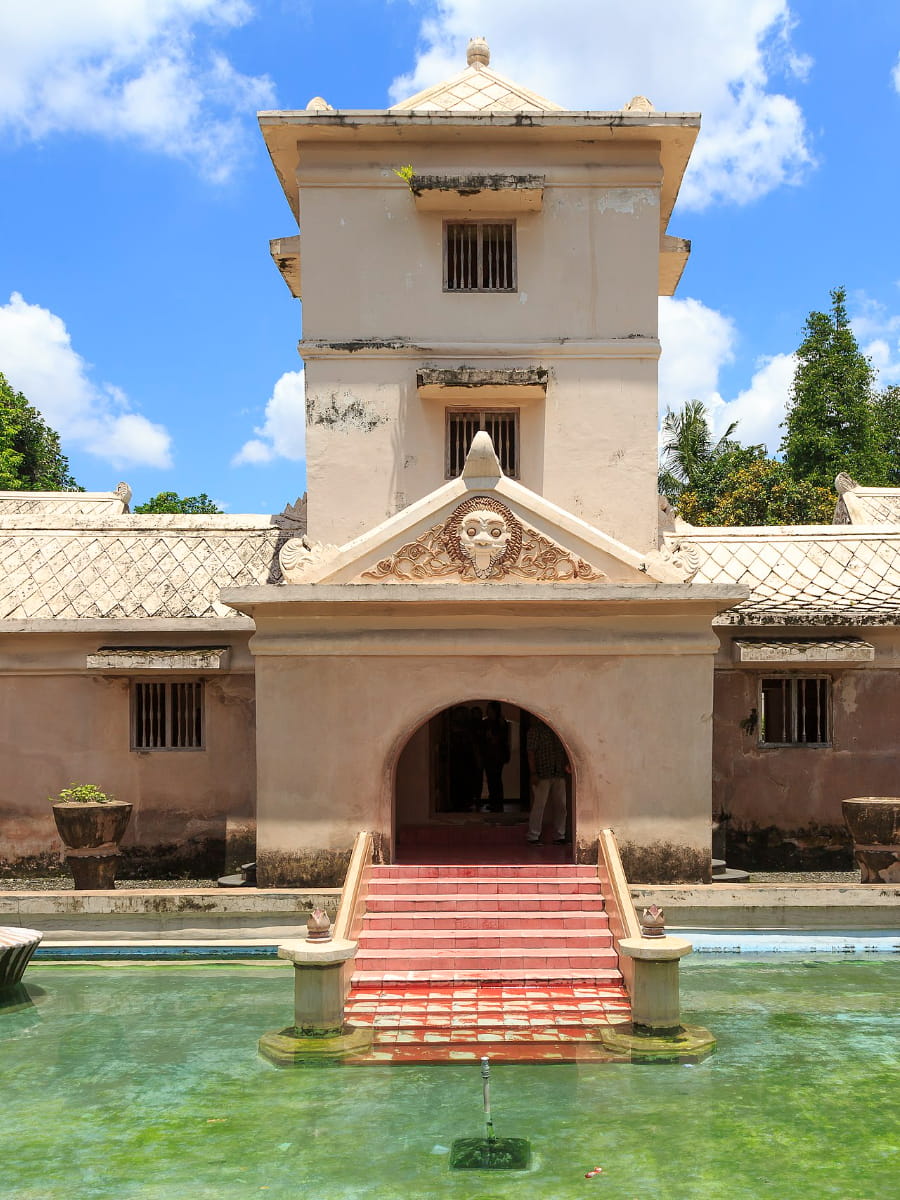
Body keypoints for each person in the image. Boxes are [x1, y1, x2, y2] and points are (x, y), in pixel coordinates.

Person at [525, 718, 569, 844]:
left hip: (558, 772)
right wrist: (533, 773)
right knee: (539, 805)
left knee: (561, 805)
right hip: (542, 774)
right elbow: (531, 753)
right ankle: (533, 835)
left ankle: (560, 835)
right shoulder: (536, 731)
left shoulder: (558, 730)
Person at [479, 701, 510, 813]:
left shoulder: (500, 723)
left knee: (495, 779)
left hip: (497, 756)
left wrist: (494, 738)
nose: (487, 711)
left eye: (489, 709)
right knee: (491, 779)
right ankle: (494, 802)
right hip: (489, 755)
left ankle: (497, 803)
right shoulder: (486, 723)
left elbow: (503, 737)